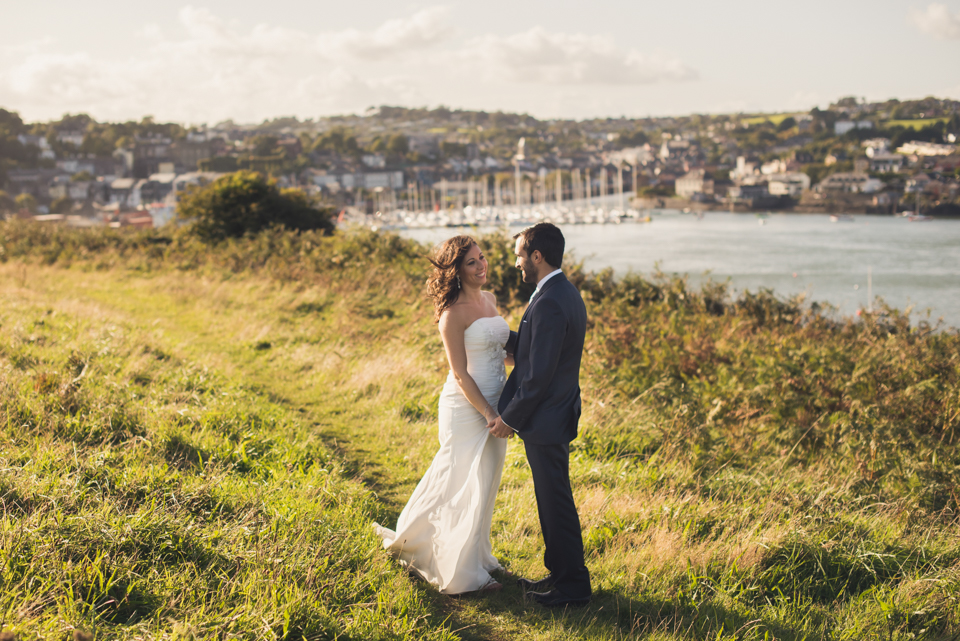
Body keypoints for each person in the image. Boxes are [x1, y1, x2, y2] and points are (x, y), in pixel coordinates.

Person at [374, 235, 512, 594]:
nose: (482, 265)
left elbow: (500, 354)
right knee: (458, 480)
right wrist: (488, 413)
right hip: (468, 407)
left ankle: (476, 553)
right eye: (472, 262)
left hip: (498, 406)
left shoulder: (491, 300)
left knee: (487, 480)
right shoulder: (451, 315)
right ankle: (462, 573)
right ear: (456, 270)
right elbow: (460, 373)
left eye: (482, 258)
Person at [487, 222, 592, 608]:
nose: (516, 263)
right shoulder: (560, 292)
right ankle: (561, 572)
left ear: (537, 255)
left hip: (547, 419)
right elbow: (536, 354)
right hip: (555, 415)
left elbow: (538, 375)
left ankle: (574, 588)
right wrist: (498, 334)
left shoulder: (548, 299)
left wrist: (509, 419)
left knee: (555, 502)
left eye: (519, 255)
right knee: (552, 499)